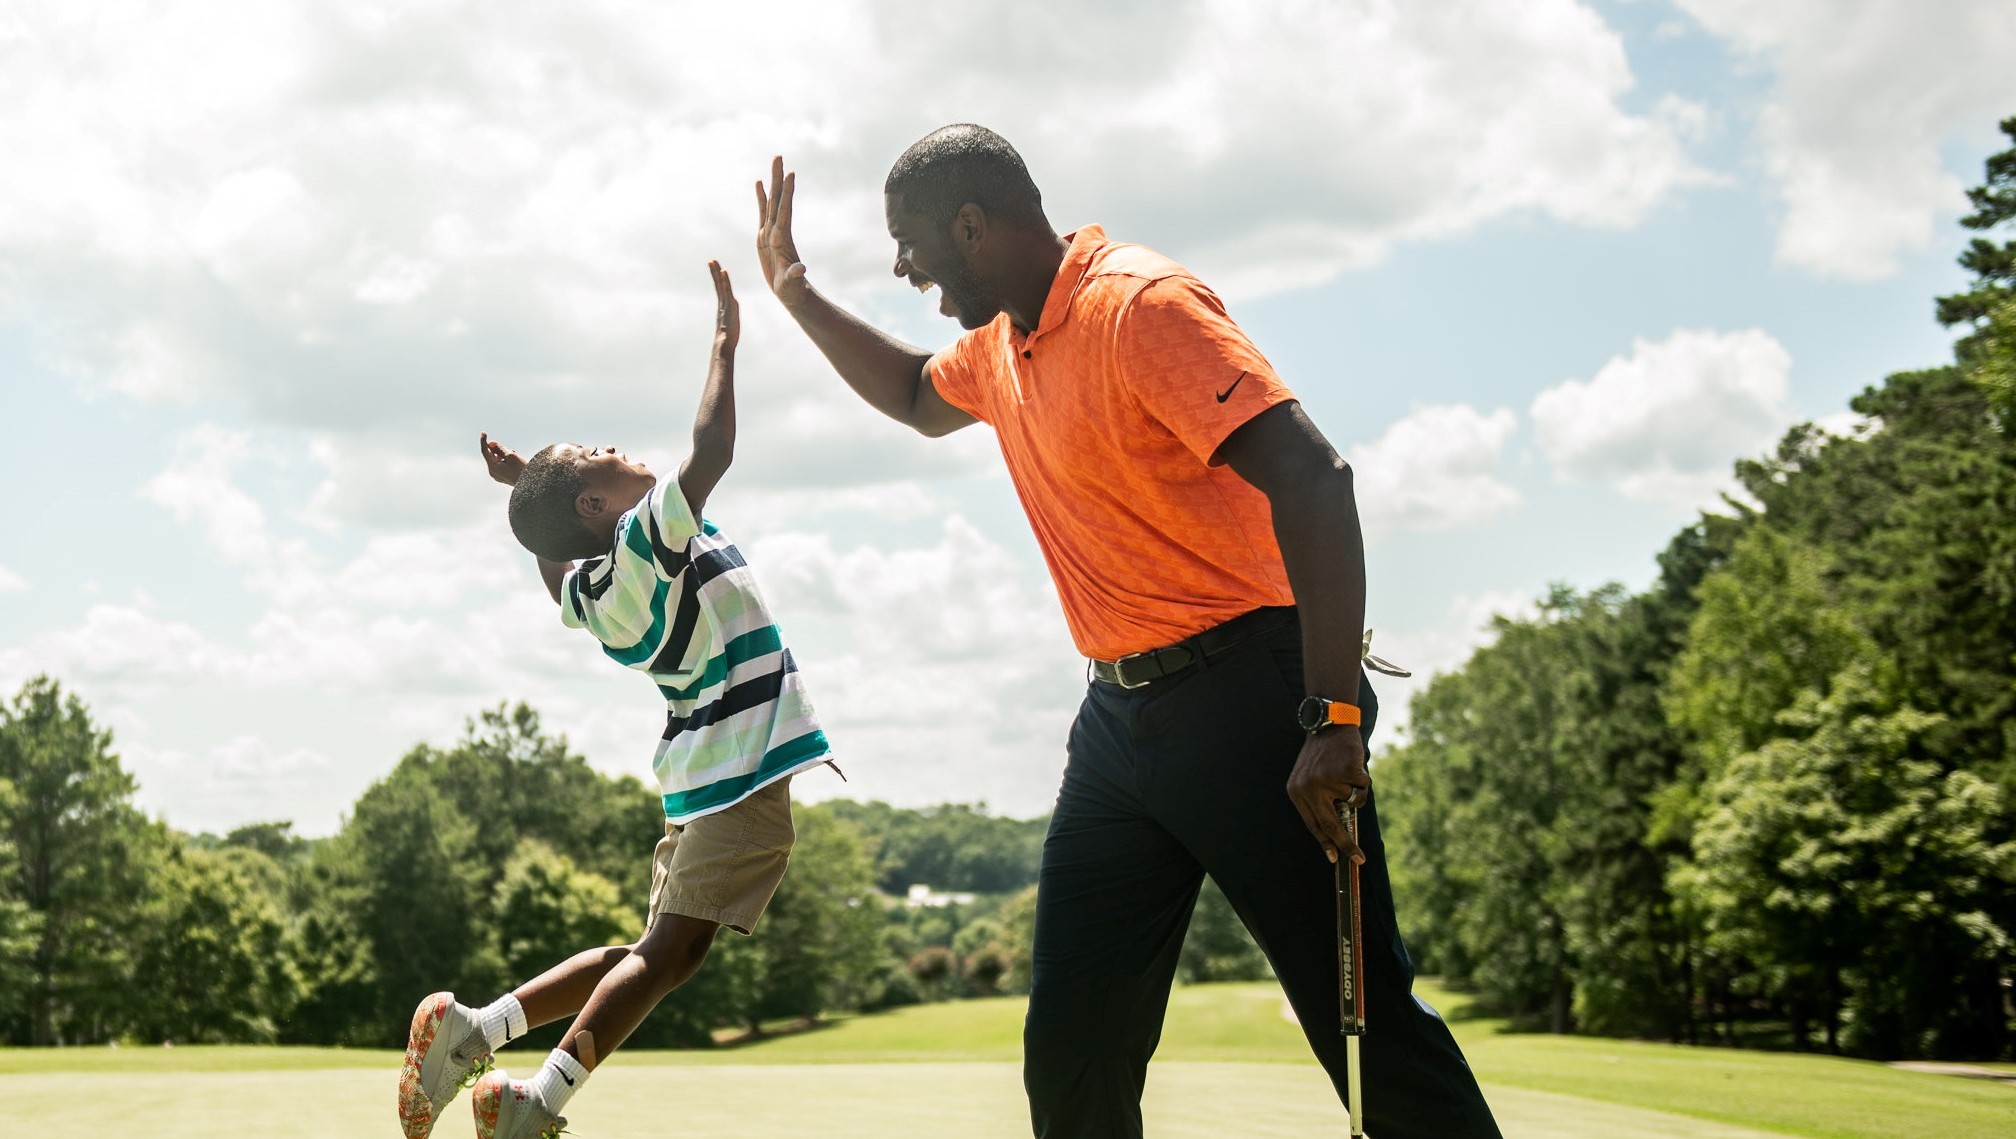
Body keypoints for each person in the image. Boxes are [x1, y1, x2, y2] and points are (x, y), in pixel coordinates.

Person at [753, 128, 1501, 1138]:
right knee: (1074, 1048)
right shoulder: (1003, 345)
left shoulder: (1140, 305)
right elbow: (914, 396)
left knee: (1370, 1032)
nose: (900, 267)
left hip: (1256, 703)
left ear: (970, 226)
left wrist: (1333, 715)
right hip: (1116, 724)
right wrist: (795, 292)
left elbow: (1316, 480)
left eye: (908, 242)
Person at [395, 261, 836, 1139]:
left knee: (651, 952)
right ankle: (534, 1102)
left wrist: (528, 490)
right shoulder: (644, 538)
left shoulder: (594, 589)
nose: (617, 447)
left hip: (700, 774)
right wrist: (724, 343)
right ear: (599, 502)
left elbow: (554, 556)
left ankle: (475, 1031)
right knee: (671, 952)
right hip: (741, 771)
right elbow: (711, 453)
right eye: (599, 454)